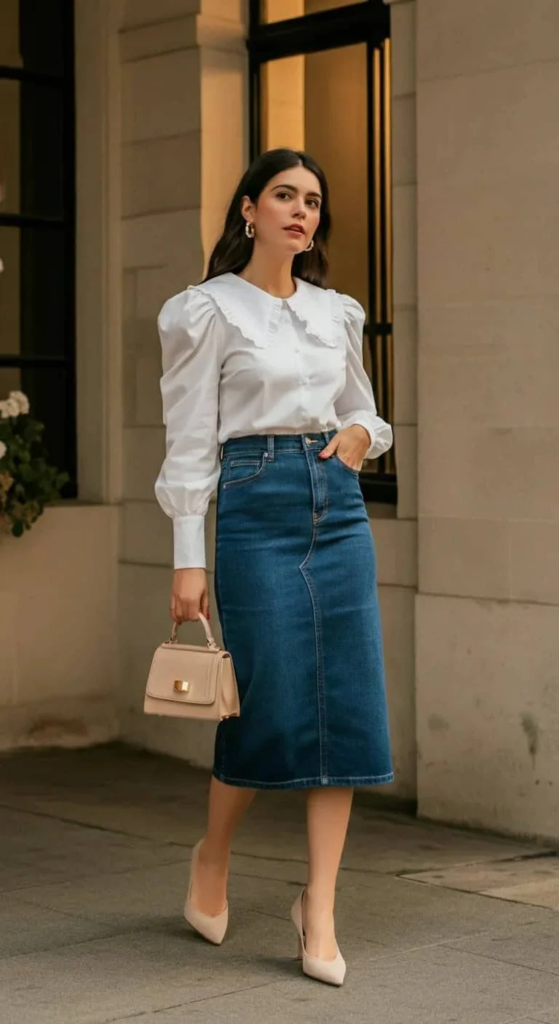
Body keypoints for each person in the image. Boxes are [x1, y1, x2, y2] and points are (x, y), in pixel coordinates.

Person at [154, 148, 394, 987]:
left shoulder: (336, 313)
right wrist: (189, 557)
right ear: (248, 210)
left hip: (336, 502)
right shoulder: (204, 311)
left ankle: (317, 907)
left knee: (348, 706)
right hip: (253, 503)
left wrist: (364, 436)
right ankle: (211, 855)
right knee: (265, 702)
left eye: (313, 201)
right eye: (285, 196)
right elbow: (188, 442)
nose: (301, 211)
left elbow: (362, 408)